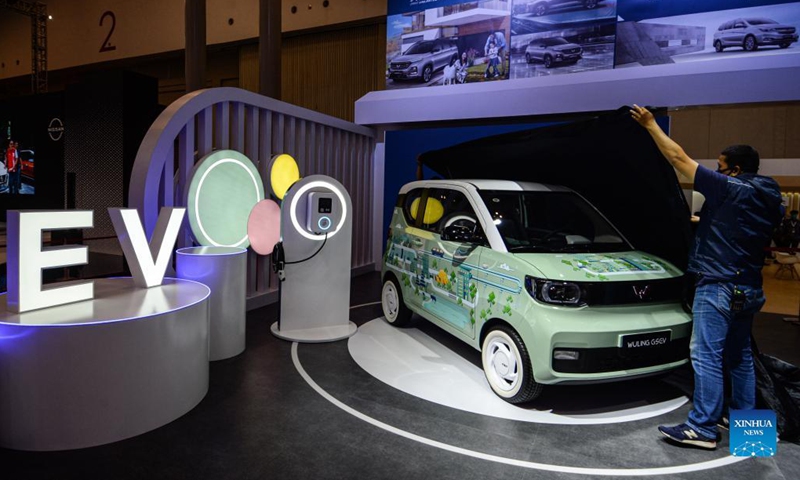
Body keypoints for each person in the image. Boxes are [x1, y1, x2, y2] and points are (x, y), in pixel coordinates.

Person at [630, 105, 783, 450]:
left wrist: (652, 125)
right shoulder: (769, 195)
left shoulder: (730, 189)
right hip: (750, 287)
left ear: (735, 169)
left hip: (719, 286)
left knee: (705, 356)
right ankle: (749, 433)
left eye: (721, 166)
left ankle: (702, 428)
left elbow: (678, 157)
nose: (716, 170)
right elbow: (736, 228)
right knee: (739, 356)